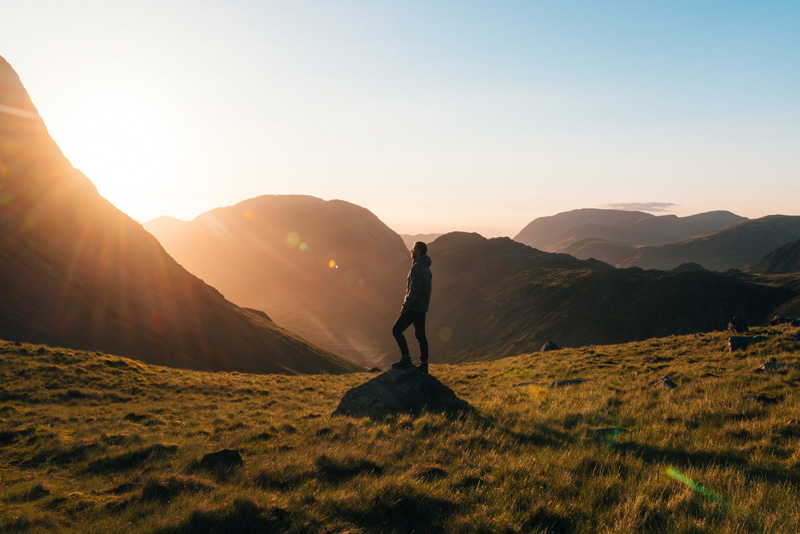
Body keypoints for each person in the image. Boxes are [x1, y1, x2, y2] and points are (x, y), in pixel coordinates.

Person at [391, 241, 432, 373]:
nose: (411, 251)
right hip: (422, 308)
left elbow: (414, 290)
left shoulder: (417, 267)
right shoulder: (427, 267)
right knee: (421, 335)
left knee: (396, 330)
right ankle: (424, 364)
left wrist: (405, 306)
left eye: (413, 249)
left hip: (414, 307)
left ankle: (406, 359)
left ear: (418, 252)